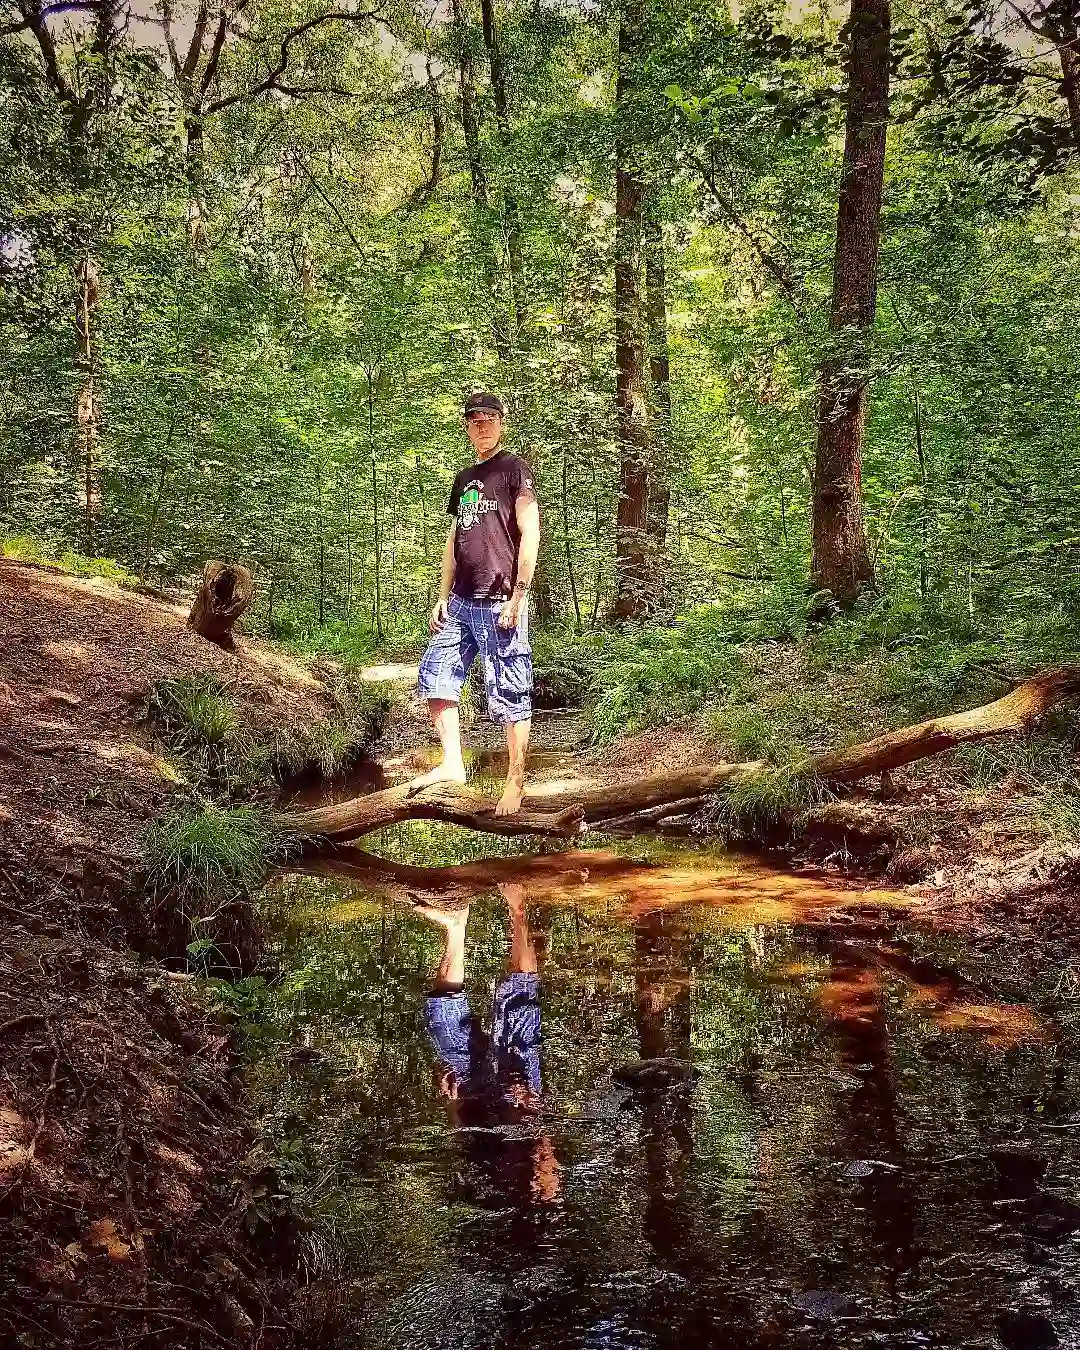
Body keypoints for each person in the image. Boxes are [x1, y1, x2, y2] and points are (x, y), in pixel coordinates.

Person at [413, 391, 540, 815]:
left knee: (510, 689)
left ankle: (515, 781)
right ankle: (452, 764)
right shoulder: (463, 478)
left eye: (488, 418)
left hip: (501, 600)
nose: (481, 425)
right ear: (467, 427)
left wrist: (519, 595)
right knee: (435, 676)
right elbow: (454, 540)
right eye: (474, 419)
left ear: (501, 423)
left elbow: (530, 531)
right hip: (461, 602)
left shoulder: (514, 470)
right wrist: (442, 595)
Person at [416, 883, 561, 1209]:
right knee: (520, 996)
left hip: (477, 1095)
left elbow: (468, 1141)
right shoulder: (544, 1196)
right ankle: (518, 909)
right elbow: (545, 1146)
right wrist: (530, 1103)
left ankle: (456, 924)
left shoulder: (492, 1198)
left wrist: (453, 1105)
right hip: (518, 1092)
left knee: (442, 1015)